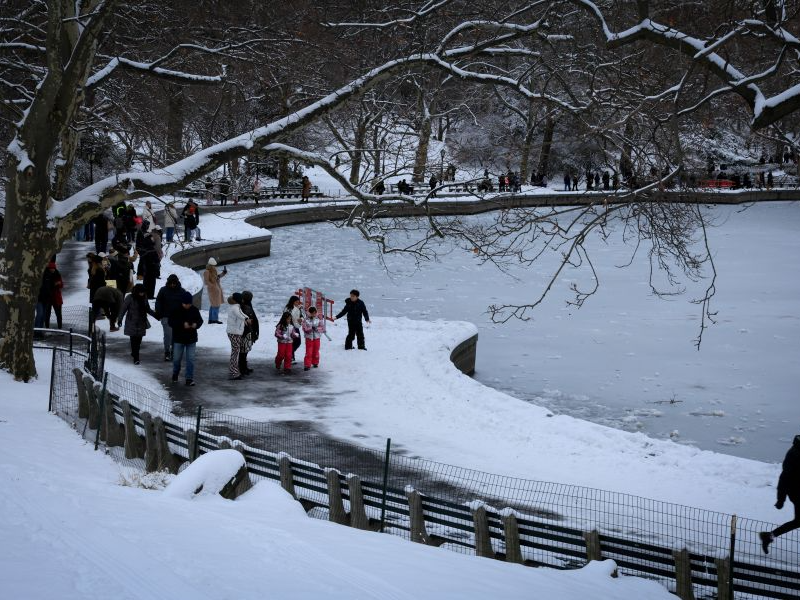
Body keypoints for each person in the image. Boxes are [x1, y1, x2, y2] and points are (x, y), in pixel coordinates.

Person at [760, 435, 800, 554]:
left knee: (798, 521)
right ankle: (768, 536)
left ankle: (769, 536)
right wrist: (780, 500)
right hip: (797, 494)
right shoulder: (793, 456)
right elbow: (784, 478)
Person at [117, 283, 157, 365]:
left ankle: (134, 352)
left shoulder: (144, 297)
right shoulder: (130, 297)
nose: (142, 294)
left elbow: (147, 309)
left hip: (142, 321)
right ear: (137, 291)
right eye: (141, 292)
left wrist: (156, 315)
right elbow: (123, 309)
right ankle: (136, 357)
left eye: (143, 292)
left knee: (139, 340)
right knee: (133, 339)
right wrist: (120, 319)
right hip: (132, 321)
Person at [169, 290, 203, 386]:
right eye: (185, 304)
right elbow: (170, 322)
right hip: (179, 338)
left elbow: (200, 320)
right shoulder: (176, 309)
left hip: (191, 339)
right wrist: (182, 324)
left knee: (190, 359)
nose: (187, 305)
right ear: (182, 302)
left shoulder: (194, 310)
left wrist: (196, 324)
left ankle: (189, 378)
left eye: (189, 304)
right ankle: (175, 373)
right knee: (176, 359)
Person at [155, 274, 184, 361]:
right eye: (171, 283)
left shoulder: (182, 291)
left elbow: (185, 303)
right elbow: (158, 301)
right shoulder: (163, 290)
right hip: (166, 316)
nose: (172, 285)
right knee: (168, 335)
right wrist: (159, 312)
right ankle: (167, 351)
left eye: (174, 283)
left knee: (176, 336)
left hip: (178, 317)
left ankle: (174, 352)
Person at [226, 293, 250, 380]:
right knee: (235, 352)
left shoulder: (235, 307)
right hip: (234, 332)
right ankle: (234, 373)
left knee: (235, 352)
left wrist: (246, 319)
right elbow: (240, 315)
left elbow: (241, 314)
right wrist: (247, 319)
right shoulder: (235, 307)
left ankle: (234, 371)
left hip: (234, 332)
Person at [239, 290, 259, 376]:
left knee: (244, 351)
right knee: (243, 351)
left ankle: (243, 367)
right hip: (246, 333)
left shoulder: (243, 306)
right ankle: (242, 368)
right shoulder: (246, 307)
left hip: (246, 332)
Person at [301, 305, 326, 371]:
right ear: (309, 313)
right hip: (309, 338)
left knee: (316, 350)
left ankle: (315, 362)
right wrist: (310, 329)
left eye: (314, 313)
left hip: (317, 338)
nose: (313, 314)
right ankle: (307, 364)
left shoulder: (318, 319)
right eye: (312, 313)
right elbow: (304, 328)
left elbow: (322, 328)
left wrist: (317, 329)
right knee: (309, 351)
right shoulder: (306, 320)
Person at [203, 258, 226, 323]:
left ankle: (211, 320)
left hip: (216, 289)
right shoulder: (207, 272)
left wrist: (223, 273)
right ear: (211, 265)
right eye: (213, 265)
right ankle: (214, 320)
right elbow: (206, 282)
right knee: (216, 305)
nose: (214, 266)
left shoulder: (213, 270)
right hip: (213, 291)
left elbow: (217, 277)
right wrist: (213, 286)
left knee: (213, 305)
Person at [284, 295, 304, 362]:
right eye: (296, 302)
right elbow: (289, 316)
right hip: (290, 327)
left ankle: (290, 354)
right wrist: (297, 309)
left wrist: (301, 319)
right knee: (291, 342)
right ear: (292, 302)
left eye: (298, 302)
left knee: (298, 342)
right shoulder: (288, 308)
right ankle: (290, 356)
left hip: (296, 326)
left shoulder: (298, 308)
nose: (297, 303)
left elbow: (302, 316)